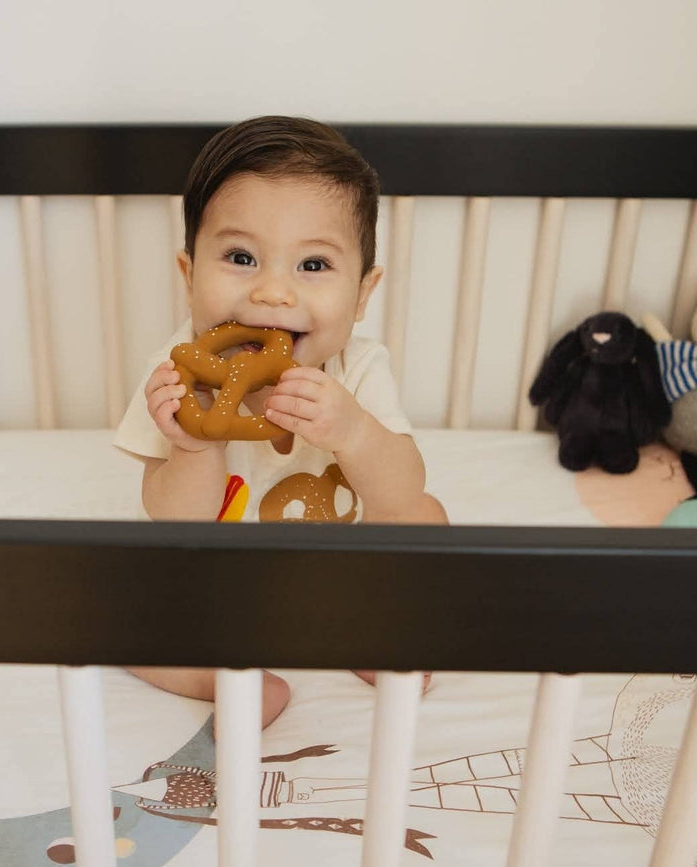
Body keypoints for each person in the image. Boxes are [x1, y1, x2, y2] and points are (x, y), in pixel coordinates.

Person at [113, 116, 447, 725]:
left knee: (428, 516)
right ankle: (222, 678)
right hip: (218, 589)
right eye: (241, 257)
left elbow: (403, 489)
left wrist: (353, 431)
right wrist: (191, 448)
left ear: (363, 293)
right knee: (116, 611)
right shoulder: (179, 373)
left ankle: (369, 638)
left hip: (332, 583)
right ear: (190, 277)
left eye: (313, 266)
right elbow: (171, 518)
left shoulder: (359, 368)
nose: (272, 292)